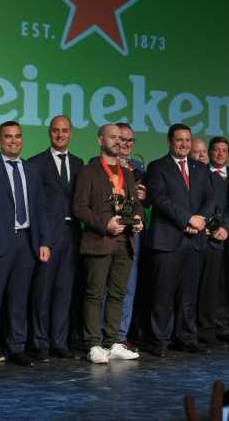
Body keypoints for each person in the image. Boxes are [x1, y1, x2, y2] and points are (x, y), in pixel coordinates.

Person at [0, 121, 50, 370]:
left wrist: (44, 241)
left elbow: (40, 209)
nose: (13, 140)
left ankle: (17, 347)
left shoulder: (31, 170)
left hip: (27, 243)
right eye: (8, 136)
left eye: (17, 136)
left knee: (19, 299)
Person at [144, 123, 216, 356]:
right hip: (168, 239)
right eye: (179, 140)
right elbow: (160, 199)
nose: (184, 144)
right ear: (169, 142)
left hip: (195, 240)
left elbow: (210, 198)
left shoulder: (200, 168)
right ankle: (160, 340)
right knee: (163, 293)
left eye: (187, 140)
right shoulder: (157, 166)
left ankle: (186, 338)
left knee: (189, 294)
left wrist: (201, 220)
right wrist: (188, 219)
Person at [74, 124, 144, 363]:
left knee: (118, 293)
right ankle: (93, 344)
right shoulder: (88, 171)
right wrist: (105, 224)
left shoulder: (127, 172)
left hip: (125, 241)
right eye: (112, 137)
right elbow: (79, 208)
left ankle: (113, 342)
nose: (118, 141)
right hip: (99, 239)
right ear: (100, 140)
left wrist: (138, 219)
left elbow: (136, 204)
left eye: (120, 138)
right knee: (95, 294)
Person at [27, 115, 84, 361]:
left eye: (65, 130)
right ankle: (40, 342)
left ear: (71, 133)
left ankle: (60, 342)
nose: (60, 135)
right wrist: (42, 238)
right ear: (49, 133)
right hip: (47, 237)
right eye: (56, 130)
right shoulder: (36, 163)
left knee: (65, 291)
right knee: (43, 290)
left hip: (73, 236)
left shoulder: (79, 163)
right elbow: (33, 205)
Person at [195, 138, 229, 347]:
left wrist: (225, 228)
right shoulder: (198, 175)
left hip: (224, 240)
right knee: (202, 287)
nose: (219, 154)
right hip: (198, 238)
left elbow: (228, 209)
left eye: (224, 150)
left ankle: (217, 327)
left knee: (219, 287)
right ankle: (200, 329)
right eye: (215, 150)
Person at [115, 121, 146, 349]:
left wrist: (145, 196)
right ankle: (104, 335)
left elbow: (147, 201)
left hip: (134, 233)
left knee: (129, 285)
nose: (126, 144)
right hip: (111, 230)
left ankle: (121, 335)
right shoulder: (100, 164)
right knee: (108, 286)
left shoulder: (140, 168)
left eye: (130, 140)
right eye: (121, 139)